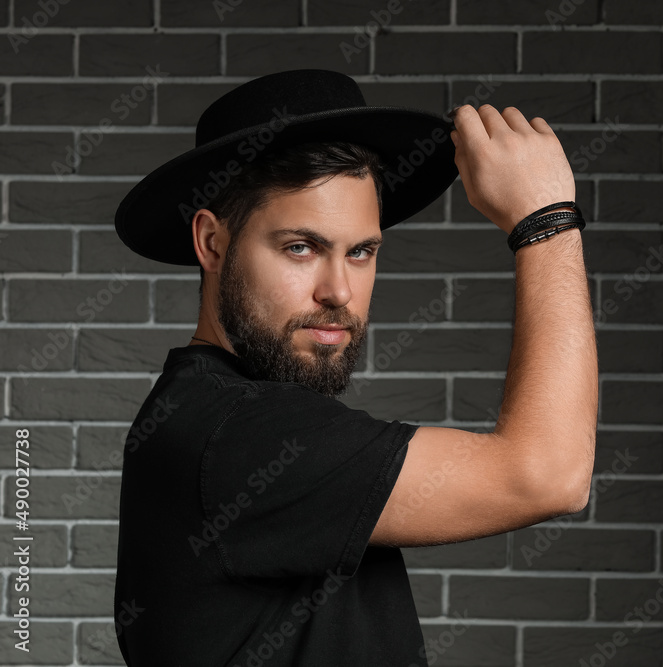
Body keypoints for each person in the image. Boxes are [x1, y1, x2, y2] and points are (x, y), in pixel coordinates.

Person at [112, 69, 597, 666]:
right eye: (301, 247)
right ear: (212, 243)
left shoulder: (211, 417)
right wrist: (546, 221)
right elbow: (549, 475)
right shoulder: (234, 433)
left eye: (361, 252)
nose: (339, 291)